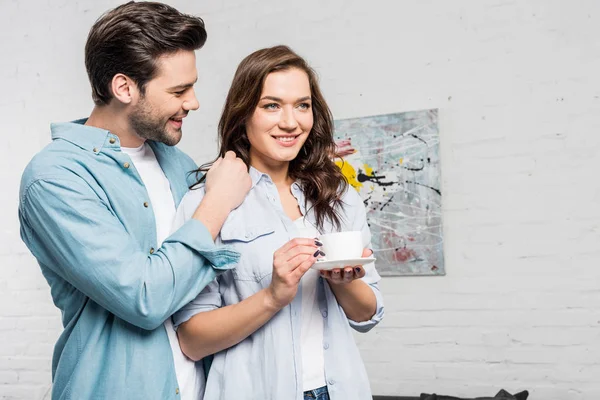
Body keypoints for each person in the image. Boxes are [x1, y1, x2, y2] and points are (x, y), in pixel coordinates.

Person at [18, 2, 251, 399]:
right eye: (179, 90)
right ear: (124, 88)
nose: (193, 102)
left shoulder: (179, 166)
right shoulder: (55, 179)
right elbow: (145, 296)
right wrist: (217, 203)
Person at [172, 45, 385, 400]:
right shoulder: (207, 202)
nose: (291, 122)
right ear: (243, 115)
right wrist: (272, 296)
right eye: (272, 105)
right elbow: (192, 340)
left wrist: (343, 282)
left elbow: (368, 315)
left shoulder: (339, 195)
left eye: (302, 105)